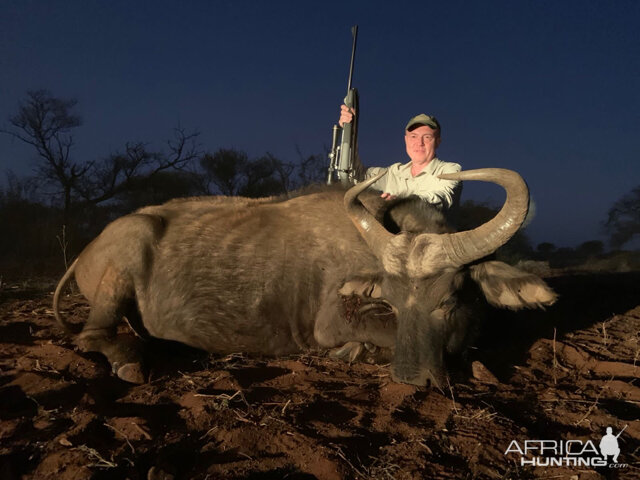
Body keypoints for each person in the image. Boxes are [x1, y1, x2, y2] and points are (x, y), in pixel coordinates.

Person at [339, 105, 462, 211]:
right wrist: (350, 132)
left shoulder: (450, 170)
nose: (419, 143)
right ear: (406, 140)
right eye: (413, 136)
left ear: (438, 142)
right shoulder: (393, 172)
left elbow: (443, 197)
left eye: (427, 137)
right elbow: (355, 175)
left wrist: (402, 202)